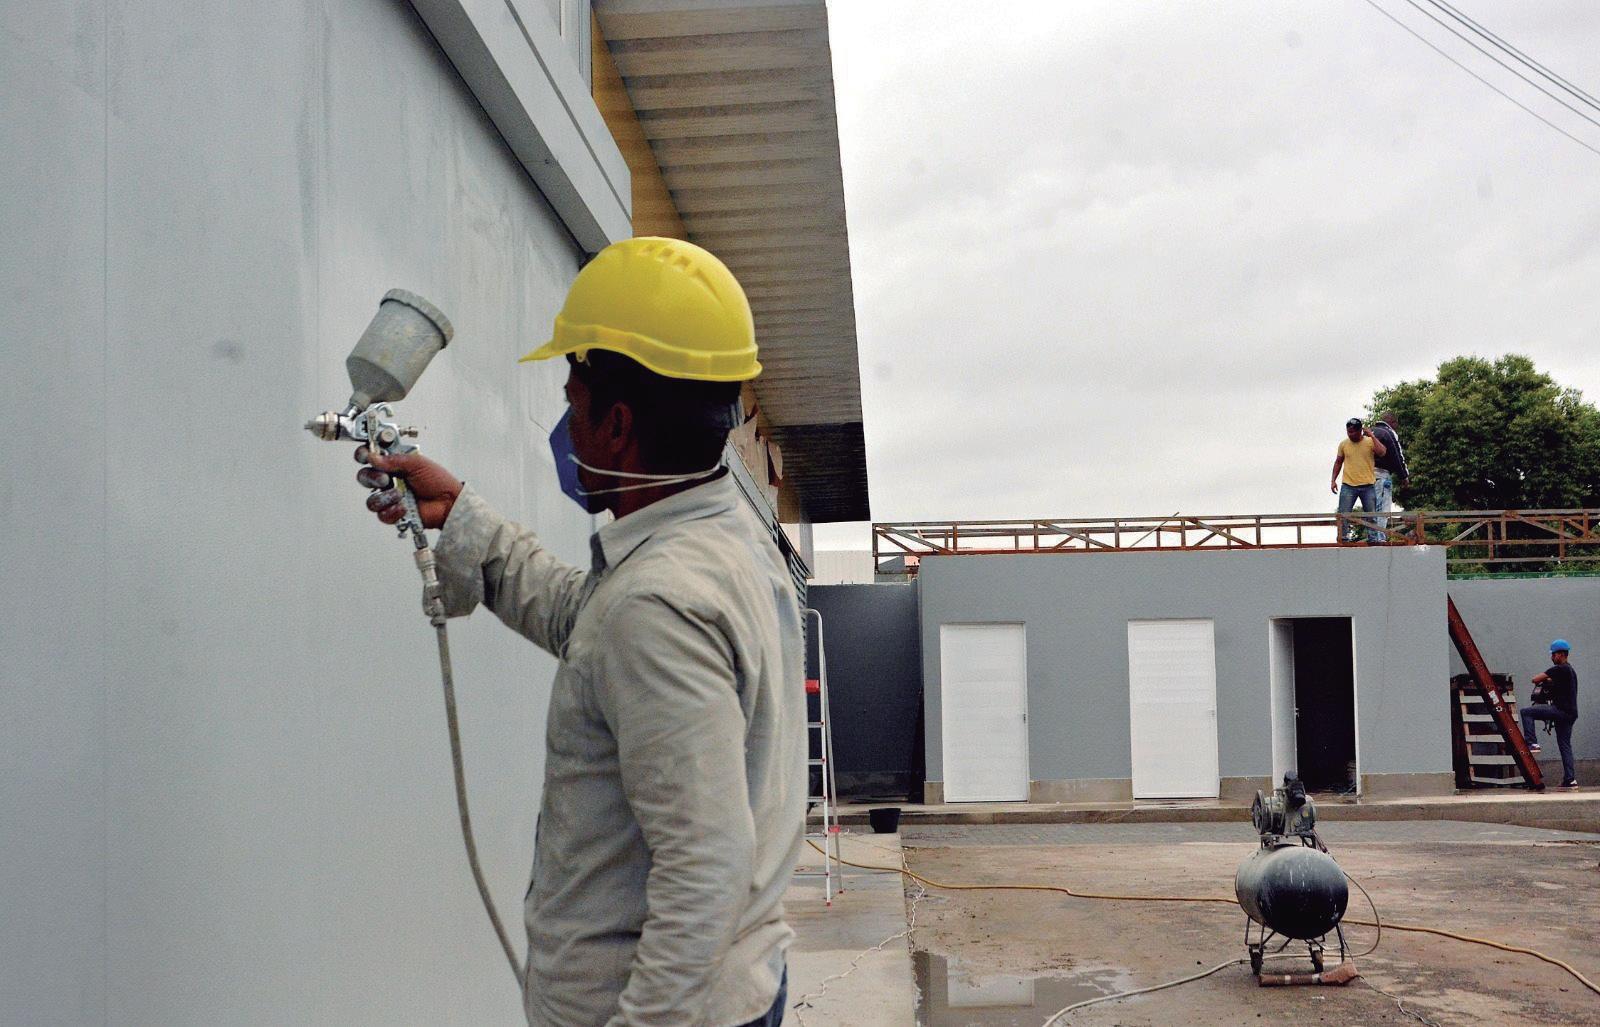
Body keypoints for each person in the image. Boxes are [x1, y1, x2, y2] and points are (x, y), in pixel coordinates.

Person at [359, 237, 803, 1026]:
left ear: (619, 423)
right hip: (737, 983)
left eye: (574, 399)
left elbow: (704, 870)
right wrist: (463, 518)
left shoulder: (657, 602)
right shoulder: (721, 540)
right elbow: (592, 626)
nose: (566, 424)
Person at [1522, 639, 1579, 788]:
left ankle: (1532, 743)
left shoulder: (1559, 669)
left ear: (1561, 654)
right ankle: (1570, 779)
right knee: (1565, 745)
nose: (1552, 657)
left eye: (1553, 654)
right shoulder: (1570, 670)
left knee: (1526, 712)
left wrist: (1546, 678)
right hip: (1571, 713)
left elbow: (1535, 679)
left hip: (1559, 710)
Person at [1330, 417, 1387, 543]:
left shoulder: (1369, 442)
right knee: (1344, 514)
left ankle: (1373, 539)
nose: (1350, 435)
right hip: (1348, 484)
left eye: (1353, 432)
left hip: (1368, 485)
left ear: (1360, 430)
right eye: (1348, 432)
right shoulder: (1344, 444)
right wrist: (1333, 480)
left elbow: (1382, 452)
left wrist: (1372, 435)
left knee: (1371, 515)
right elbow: (1338, 462)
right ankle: (1343, 538)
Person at [1368, 411, 1409, 544]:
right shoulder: (1389, 433)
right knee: (1383, 507)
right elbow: (1397, 455)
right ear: (1393, 422)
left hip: (1365, 475)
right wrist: (1404, 476)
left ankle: (1372, 536)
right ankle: (1380, 536)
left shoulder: (1369, 433)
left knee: (1370, 507)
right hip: (1382, 474)